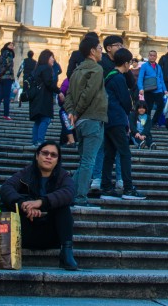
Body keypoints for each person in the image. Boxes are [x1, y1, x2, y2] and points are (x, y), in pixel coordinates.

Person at [0, 141, 78, 270]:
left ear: (57, 160)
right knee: (5, 205)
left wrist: (41, 203)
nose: (48, 157)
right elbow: (6, 188)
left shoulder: (63, 176)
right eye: (45, 153)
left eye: (53, 155)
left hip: (50, 233)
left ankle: (67, 252)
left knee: (63, 206)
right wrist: (23, 205)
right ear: (37, 156)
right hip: (25, 231)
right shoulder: (26, 173)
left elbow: (69, 193)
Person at [100, 48, 146, 201]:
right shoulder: (119, 78)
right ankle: (128, 188)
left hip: (108, 120)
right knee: (125, 153)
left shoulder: (109, 77)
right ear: (126, 64)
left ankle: (106, 187)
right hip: (118, 119)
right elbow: (126, 101)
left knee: (110, 153)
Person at [67, 35, 107, 207]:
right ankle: (80, 197)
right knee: (88, 161)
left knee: (84, 160)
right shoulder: (97, 70)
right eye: (99, 48)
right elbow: (88, 94)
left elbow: (68, 95)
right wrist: (76, 112)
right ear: (92, 51)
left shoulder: (76, 70)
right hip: (92, 118)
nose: (101, 52)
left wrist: (71, 112)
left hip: (81, 122)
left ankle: (70, 193)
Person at [28, 50, 59, 146]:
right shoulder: (47, 68)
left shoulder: (37, 69)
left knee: (38, 121)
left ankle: (35, 141)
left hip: (36, 98)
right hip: (43, 98)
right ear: (47, 58)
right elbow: (49, 83)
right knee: (45, 119)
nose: (53, 59)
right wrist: (59, 91)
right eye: (51, 57)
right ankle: (40, 141)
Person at [137, 50, 167, 142]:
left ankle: (153, 121)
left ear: (156, 57)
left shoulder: (158, 67)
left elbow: (162, 79)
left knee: (161, 106)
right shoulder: (144, 66)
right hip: (149, 90)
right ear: (148, 56)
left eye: (154, 56)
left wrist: (165, 90)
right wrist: (140, 88)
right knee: (148, 108)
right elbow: (140, 78)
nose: (152, 57)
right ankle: (147, 124)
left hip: (158, 90)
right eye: (151, 55)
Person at [0, 42, 16, 119]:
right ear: (7, 46)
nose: (12, 46)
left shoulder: (1, 54)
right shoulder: (9, 53)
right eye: (10, 45)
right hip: (7, 77)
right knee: (6, 97)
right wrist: (0, 73)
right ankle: (6, 114)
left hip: (0, 79)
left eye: (13, 45)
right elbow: (7, 65)